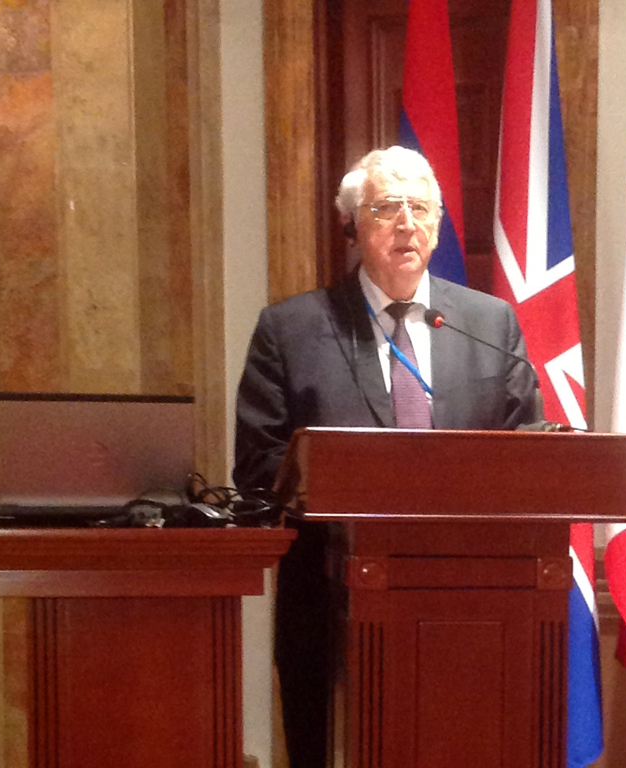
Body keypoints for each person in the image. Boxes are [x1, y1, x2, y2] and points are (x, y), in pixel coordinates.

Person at [232, 146, 541, 768]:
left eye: (420, 208)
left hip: (473, 609)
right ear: (353, 225)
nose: (406, 223)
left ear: (438, 225)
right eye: (386, 208)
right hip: (331, 606)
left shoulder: (489, 324)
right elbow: (258, 465)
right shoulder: (290, 330)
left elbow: (528, 455)